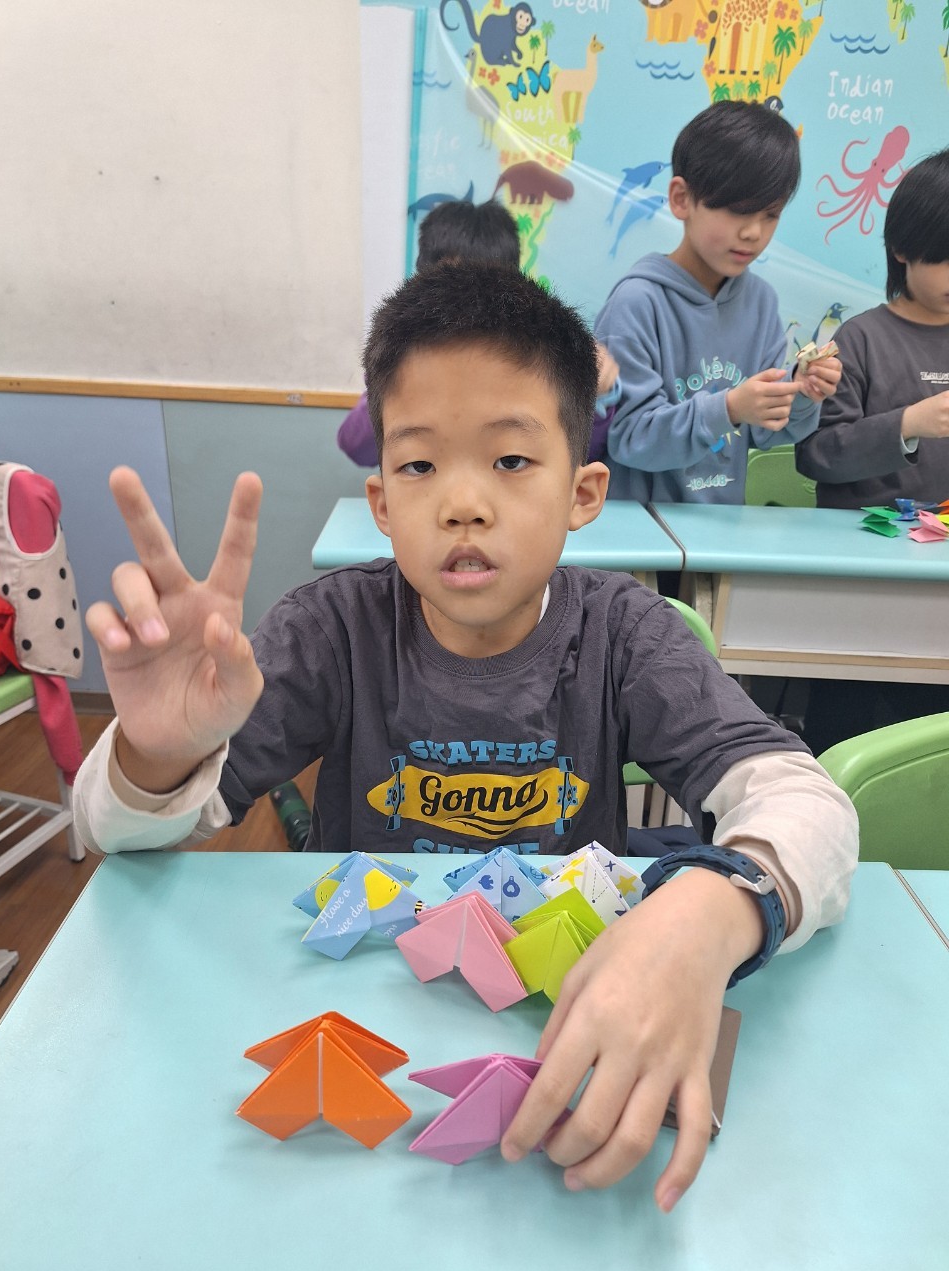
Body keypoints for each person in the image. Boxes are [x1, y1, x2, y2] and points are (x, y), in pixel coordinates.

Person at [74, 263, 857, 1210]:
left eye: (511, 461)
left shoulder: (622, 634)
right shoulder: (333, 631)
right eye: (418, 466)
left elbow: (808, 802)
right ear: (381, 504)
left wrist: (713, 911)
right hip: (365, 1032)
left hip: (551, 1024)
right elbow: (117, 836)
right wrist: (158, 754)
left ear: (583, 492)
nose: (462, 503)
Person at [595, 100, 842, 504]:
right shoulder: (637, 303)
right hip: (641, 530)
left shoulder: (761, 303)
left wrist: (801, 392)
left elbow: (766, 433)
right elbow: (630, 438)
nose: (753, 232)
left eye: (770, 214)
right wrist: (728, 409)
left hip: (720, 530)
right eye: (737, 210)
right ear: (681, 199)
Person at [793, 147, 949, 753]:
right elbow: (817, 454)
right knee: (847, 729)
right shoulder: (860, 340)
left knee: (929, 740)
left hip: (939, 595)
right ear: (903, 249)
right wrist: (908, 424)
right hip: (860, 588)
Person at [338, 198, 619, 466]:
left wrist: (596, 395)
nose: (468, 301)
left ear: (512, 282)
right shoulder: (404, 353)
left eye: (486, 285)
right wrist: (392, 387)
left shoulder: (534, 354)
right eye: (452, 284)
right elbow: (356, 447)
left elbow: (577, 457)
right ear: (423, 280)